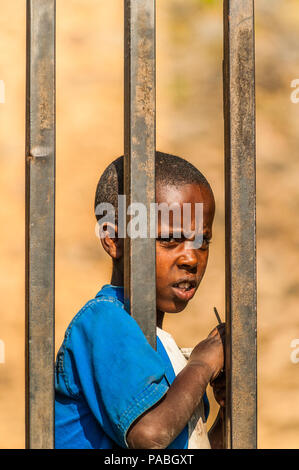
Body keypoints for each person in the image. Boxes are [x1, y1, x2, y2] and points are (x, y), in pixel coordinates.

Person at [55, 151, 225, 449]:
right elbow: (149, 437)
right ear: (114, 240)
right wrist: (201, 364)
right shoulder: (103, 321)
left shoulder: (162, 346)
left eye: (202, 241)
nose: (191, 258)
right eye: (170, 240)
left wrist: (228, 410)